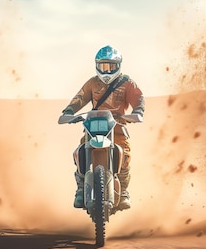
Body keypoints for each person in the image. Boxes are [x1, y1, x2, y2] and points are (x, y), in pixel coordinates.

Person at [60, 45, 145, 209]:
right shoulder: (92, 83)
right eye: (103, 66)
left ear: (118, 65)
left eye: (111, 66)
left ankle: (124, 191)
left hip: (118, 127)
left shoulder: (127, 83)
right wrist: (69, 112)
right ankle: (80, 189)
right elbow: (80, 97)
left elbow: (138, 98)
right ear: (97, 65)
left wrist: (138, 111)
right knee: (80, 152)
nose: (106, 71)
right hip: (93, 127)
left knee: (125, 156)